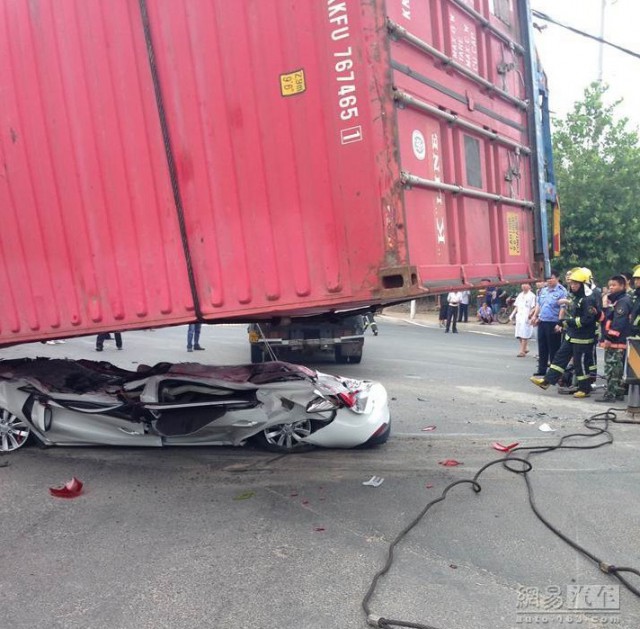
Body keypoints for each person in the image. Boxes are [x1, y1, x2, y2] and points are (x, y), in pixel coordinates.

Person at [530, 268, 598, 399]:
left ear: (583, 284)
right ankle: (547, 381)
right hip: (572, 335)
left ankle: (585, 389)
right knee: (559, 358)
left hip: (583, 338)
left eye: (576, 284)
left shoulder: (588, 299)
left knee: (580, 364)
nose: (573, 286)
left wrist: (566, 322)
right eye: (572, 284)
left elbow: (586, 320)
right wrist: (565, 322)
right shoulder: (575, 297)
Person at [596, 275, 632, 403]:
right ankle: (618, 393)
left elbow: (618, 323)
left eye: (614, 285)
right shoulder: (617, 301)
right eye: (610, 285)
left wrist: (609, 338)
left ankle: (611, 394)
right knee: (617, 368)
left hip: (616, 342)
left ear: (622, 286)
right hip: (617, 341)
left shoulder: (622, 302)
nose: (611, 287)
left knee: (612, 369)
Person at [529, 270, 567, 376]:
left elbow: (562, 308)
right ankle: (542, 369)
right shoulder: (543, 291)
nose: (549, 280)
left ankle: (554, 371)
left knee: (553, 348)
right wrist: (535, 316)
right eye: (548, 279)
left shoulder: (561, 291)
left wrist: (559, 322)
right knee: (542, 346)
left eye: (551, 278)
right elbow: (539, 305)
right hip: (542, 321)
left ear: (557, 278)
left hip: (553, 322)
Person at [510, 283, 536, 357]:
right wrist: (512, 314)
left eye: (526, 284)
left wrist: (531, 314)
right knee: (519, 334)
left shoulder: (532, 296)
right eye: (522, 284)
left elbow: (534, 306)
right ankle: (525, 348)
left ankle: (522, 351)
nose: (523, 286)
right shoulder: (520, 295)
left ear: (529, 286)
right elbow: (517, 306)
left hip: (526, 316)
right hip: (519, 316)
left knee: (524, 333)